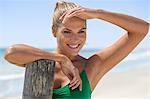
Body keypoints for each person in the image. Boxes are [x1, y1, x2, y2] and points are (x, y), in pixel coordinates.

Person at [4, 1, 149, 99]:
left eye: (81, 31)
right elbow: (11, 53)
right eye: (67, 31)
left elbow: (142, 29)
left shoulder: (92, 66)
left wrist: (99, 14)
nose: (75, 39)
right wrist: (61, 59)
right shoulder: (40, 61)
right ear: (54, 31)